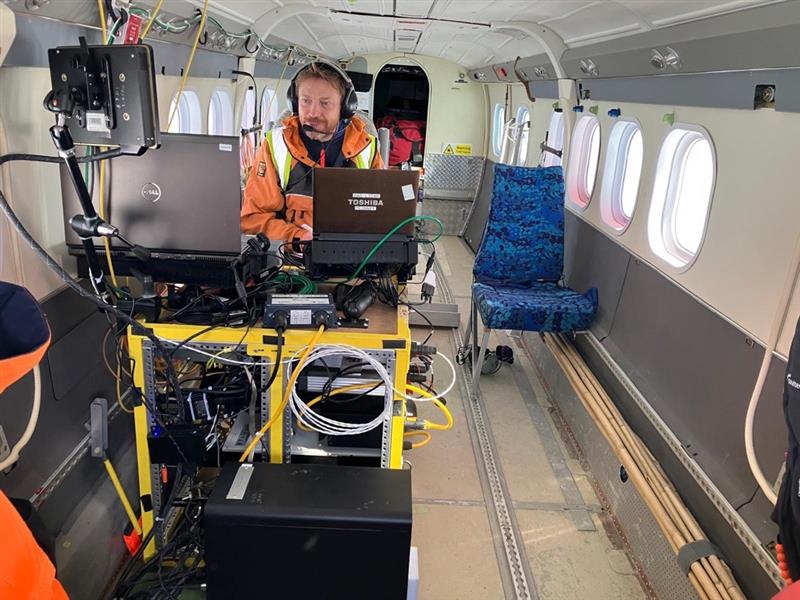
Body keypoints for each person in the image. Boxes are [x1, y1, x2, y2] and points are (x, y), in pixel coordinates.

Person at [240, 60, 384, 243]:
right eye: (306, 101)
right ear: (294, 102)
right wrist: (297, 238)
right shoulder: (275, 146)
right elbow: (254, 219)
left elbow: (383, 214)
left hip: (354, 250)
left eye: (325, 103)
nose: (313, 113)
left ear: (345, 107)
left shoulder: (367, 147)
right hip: (293, 251)